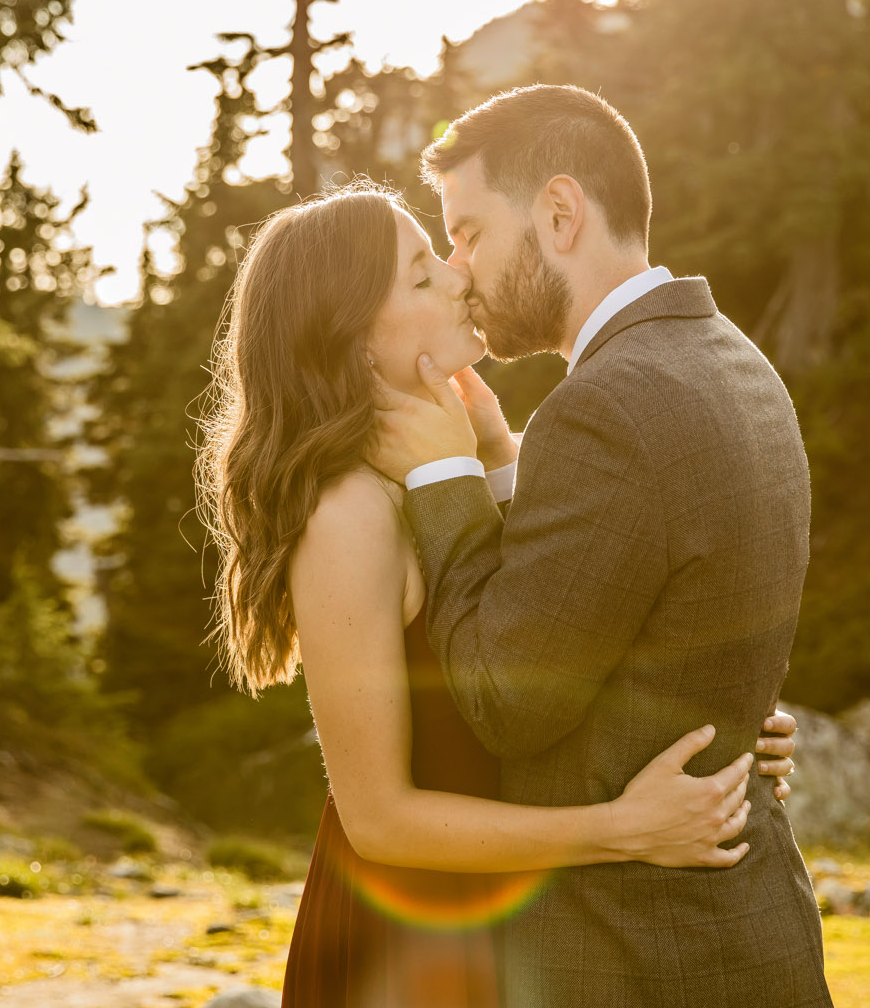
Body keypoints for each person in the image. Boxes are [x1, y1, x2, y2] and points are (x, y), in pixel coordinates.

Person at [198, 182, 800, 1008]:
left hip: (510, 931)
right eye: (418, 276)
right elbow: (377, 818)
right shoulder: (350, 515)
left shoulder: (463, 464)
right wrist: (619, 828)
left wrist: (729, 720)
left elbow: (557, 650)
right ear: (354, 341)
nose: (455, 276)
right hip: (407, 946)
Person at [370, 84, 832, 1007]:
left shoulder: (605, 405)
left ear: (558, 211)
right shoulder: (735, 357)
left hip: (637, 956)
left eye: (468, 233)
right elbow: (650, 607)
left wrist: (442, 479)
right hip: (751, 933)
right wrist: (503, 463)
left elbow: (507, 699)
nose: (459, 271)